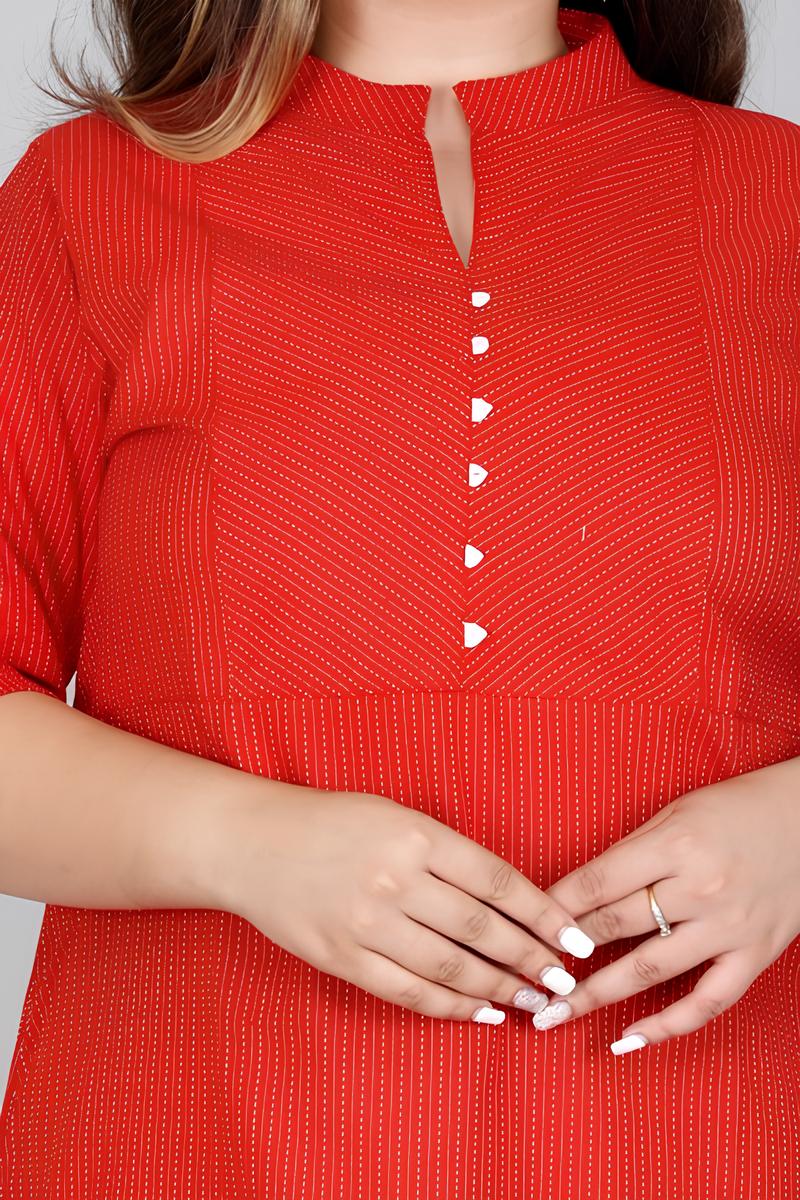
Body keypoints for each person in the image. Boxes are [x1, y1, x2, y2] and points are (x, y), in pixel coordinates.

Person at [1, 0, 799, 1195]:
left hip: (702, 1138)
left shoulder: (774, 202)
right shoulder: (88, 197)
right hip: (193, 1130)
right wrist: (240, 844)